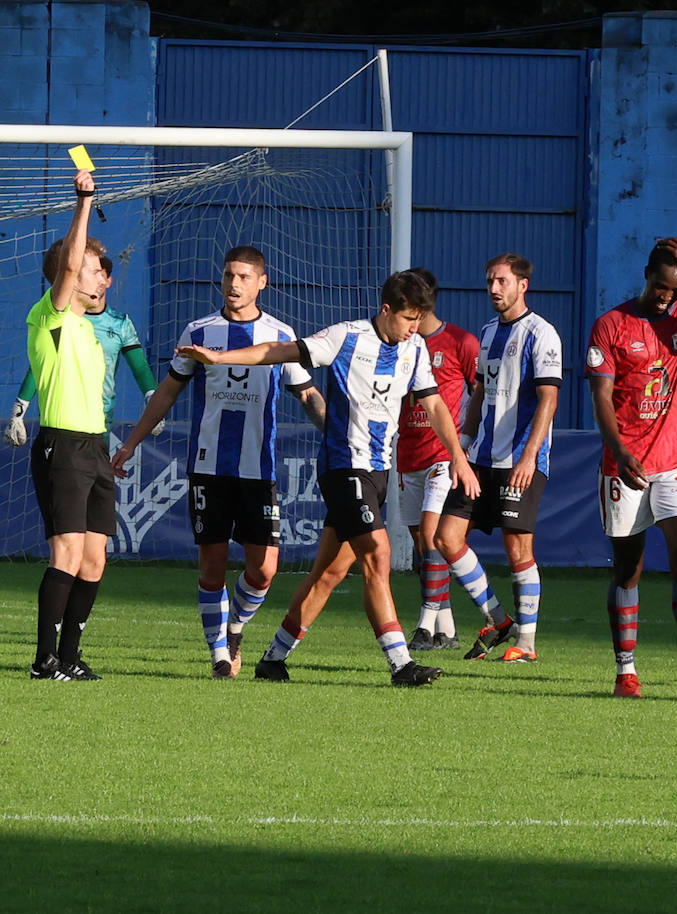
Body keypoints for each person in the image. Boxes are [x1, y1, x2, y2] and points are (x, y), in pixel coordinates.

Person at [175, 270, 479, 686]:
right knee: (378, 554)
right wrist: (221, 357)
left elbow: (437, 406)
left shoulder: (416, 349)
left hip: (377, 472)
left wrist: (458, 457)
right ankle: (401, 665)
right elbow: (275, 351)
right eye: (409, 318)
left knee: (330, 573)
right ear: (386, 310)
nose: (414, 328)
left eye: (420, 319)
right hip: (343, 467)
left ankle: (273, 658)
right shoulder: (345, 337)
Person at [112, 246, 325, 679]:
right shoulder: (199, 331)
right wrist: (132, 442)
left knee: (264, 569)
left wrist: (338, 432)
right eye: (229, 275)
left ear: (262, 282)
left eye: (244, 277)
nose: (234, 284)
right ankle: (219, 656)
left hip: (257, 471)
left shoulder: (282, 336)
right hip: (208, 468)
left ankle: (235, 628)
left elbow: (306, 394)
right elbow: (167, 393)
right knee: (211, 565)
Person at [585, 238, 677, 700]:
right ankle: (626, 672)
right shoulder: (611, 325)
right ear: (646, 273)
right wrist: (620, 449)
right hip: (624, 464)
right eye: (660, 285)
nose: (665, 296)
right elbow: (601, 399)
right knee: (628, 570)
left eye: (675, 289)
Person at [435, 253, 561, 663]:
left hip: (520, 461)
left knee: (517, 549)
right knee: (446, 537)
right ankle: (498, 618)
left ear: (523, 285)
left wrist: (528, 458)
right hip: (480, 458)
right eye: (490, 280)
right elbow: (478, 395)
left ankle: (526, 643)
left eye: (502, 281)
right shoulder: (488, 333)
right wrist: (465, 443)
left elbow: (548, 399)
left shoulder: (542, 334)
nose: (493, 288)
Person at [25, 168, 113, 681]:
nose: (104, 278)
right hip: (61, 446)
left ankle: (72, 657)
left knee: (95, 559)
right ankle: (44, 660)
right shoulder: (49, 315)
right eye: (96, 269)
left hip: (94, 448)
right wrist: (83, 203)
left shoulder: (88, 327)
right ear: (70, 273)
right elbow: (70, 267)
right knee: (68, 550)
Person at [395, 268, 479, 653]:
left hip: (442, 456)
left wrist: (467, 444)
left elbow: (481, 392)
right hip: (407, 453)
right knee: (422, 543)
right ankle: (447, 629)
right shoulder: (396, 340)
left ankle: (425, 626)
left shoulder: (461, 341)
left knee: (432, 537)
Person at [5, 254, 165, 448]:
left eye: (100, 274)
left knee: (96, 473)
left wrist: (153, 401)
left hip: (102, 417)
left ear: (108, 281)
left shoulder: (120, 323)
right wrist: (18, 411)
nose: (97, 281)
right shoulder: (61, 319)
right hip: (65, 420)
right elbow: (40, 366)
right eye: (92, 273)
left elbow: (139, 367)